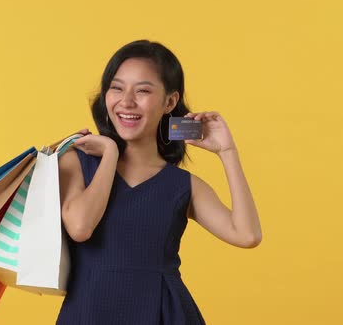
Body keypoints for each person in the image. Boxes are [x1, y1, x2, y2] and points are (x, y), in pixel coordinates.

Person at [55, 39, 262, 325]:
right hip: (88, 313)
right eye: (116, 88)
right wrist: (110, 154)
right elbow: (80, 227)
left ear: (170, 102)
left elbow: (247, 235)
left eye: (142, 91)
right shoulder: (76, 161)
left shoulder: (182, 185)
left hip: (165, 314)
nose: (126, 101)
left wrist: (227, 152)